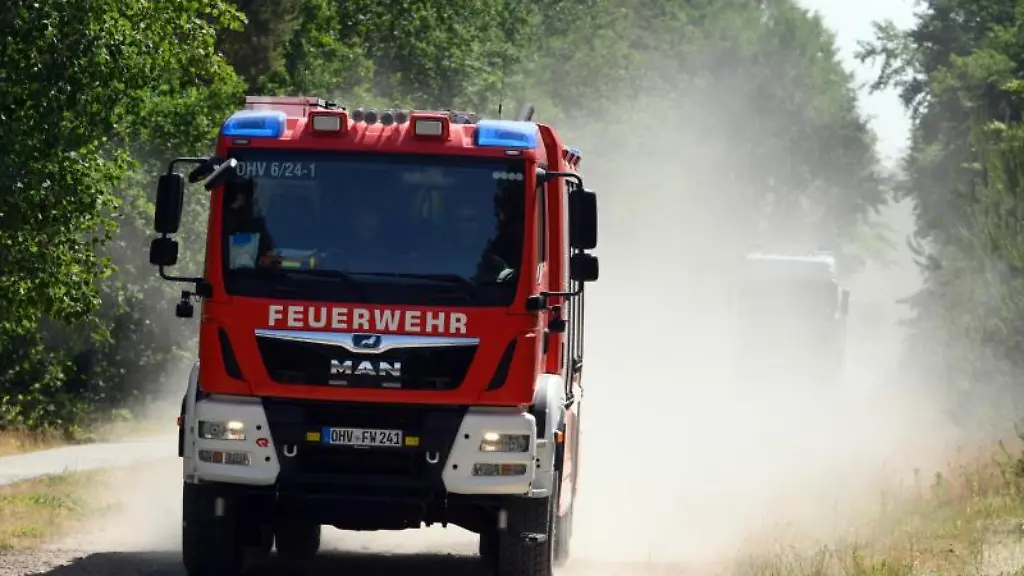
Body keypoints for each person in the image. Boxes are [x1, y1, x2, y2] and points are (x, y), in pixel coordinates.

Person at [450, 201, 514, 282]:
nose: (466, 225)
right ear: (454, 224)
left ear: (478, 224)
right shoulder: (442, 257)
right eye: (461, 220)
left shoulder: (494, 262)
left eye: (471, 219)